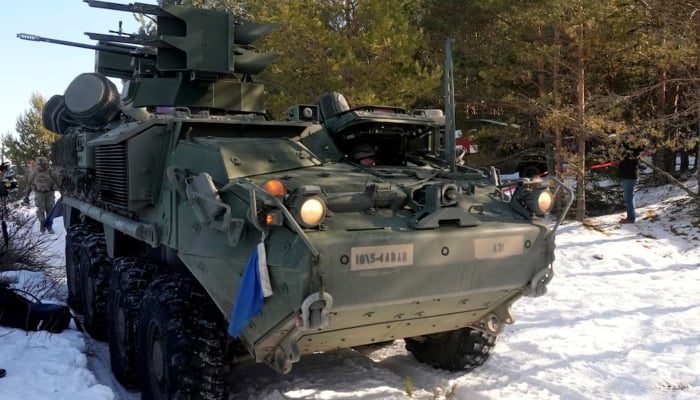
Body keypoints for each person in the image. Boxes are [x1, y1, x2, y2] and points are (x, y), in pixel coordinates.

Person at [23, 156, 59, 234]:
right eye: (40, 164)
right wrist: (26, 196)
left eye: (44, 164)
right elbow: (29, 185)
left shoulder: (50, 171)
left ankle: (49, 226)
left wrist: (60, 190)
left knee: (50, 210)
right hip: (39, 193)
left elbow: (57, 181)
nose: (42, 165)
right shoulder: (34, 172)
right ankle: (42, 224)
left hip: (49, 193)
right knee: (40, 210)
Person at [618, 135, 647, 224]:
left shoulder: (634, 151)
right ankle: (630, 216)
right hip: (626, 176)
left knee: (629, 198)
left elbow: (640, 146)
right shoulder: (627, 151)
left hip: (630, 177)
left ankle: (631, 218)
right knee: (628, 197)